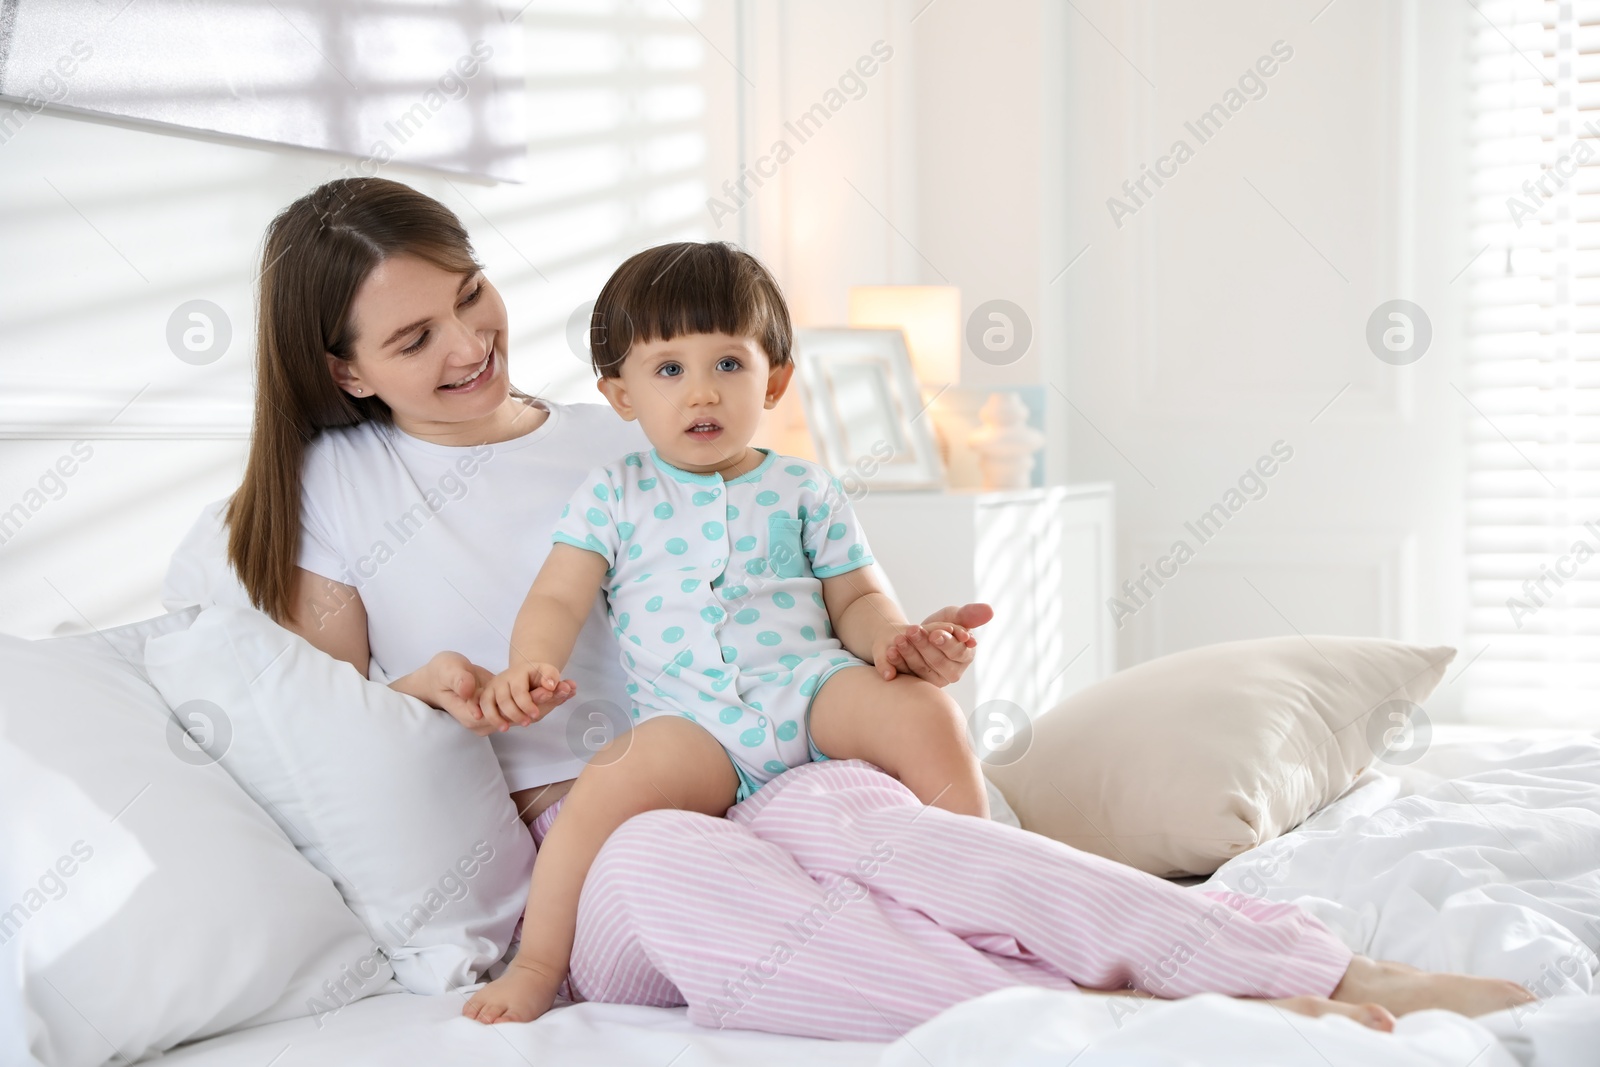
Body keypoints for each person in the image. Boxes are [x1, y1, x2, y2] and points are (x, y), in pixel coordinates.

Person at [211, 176, 1533, 1040]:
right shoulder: (341, 485)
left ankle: (1311, 969)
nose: (467, 346)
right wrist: (423, 689)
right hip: (592, 838)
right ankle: (1175, 1033)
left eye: (470, 298)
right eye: (414, 339)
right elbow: (319, 726)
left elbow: (814, 591)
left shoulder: (628, 436)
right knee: (685, 868)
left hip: (758, 755)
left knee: (901, 837)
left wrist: (889, 651)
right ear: (342, 367)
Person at [463, 242, 989, 1023]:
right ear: (621, 395)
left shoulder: (803, 486)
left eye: (729, 365)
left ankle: (978, 883)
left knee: (922, 709)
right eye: (668, 369)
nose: (701, 391)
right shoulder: (613, 493)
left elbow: (856, 597)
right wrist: (528, 665)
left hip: (809, 692)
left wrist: (894, 642)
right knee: (605, 784)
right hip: (693, 722)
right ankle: (539, 962)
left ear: (774, 378)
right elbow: (557, 599)